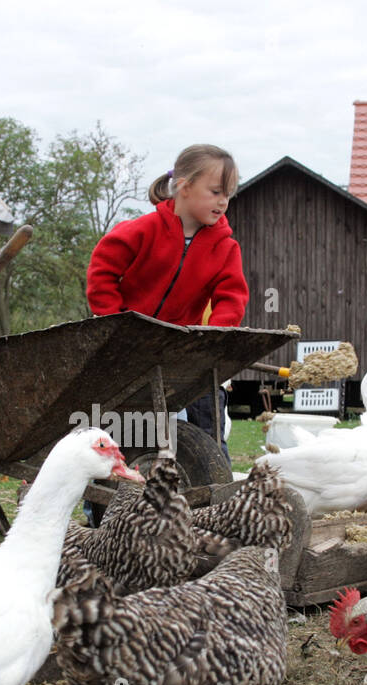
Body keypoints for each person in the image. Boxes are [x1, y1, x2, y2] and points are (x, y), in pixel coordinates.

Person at [86, 144, 248, 459]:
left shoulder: (225, 248)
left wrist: (210, 337)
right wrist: (116, 321)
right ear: (184, 187)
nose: (223, 201)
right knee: (120, 423)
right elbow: (103, 269)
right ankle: (102, 498)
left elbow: (232, 297)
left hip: (178, 349)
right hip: (126, 344)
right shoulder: (144, 230)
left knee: (173, 421)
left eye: (228, 193)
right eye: (215, 191)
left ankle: (171, 474)